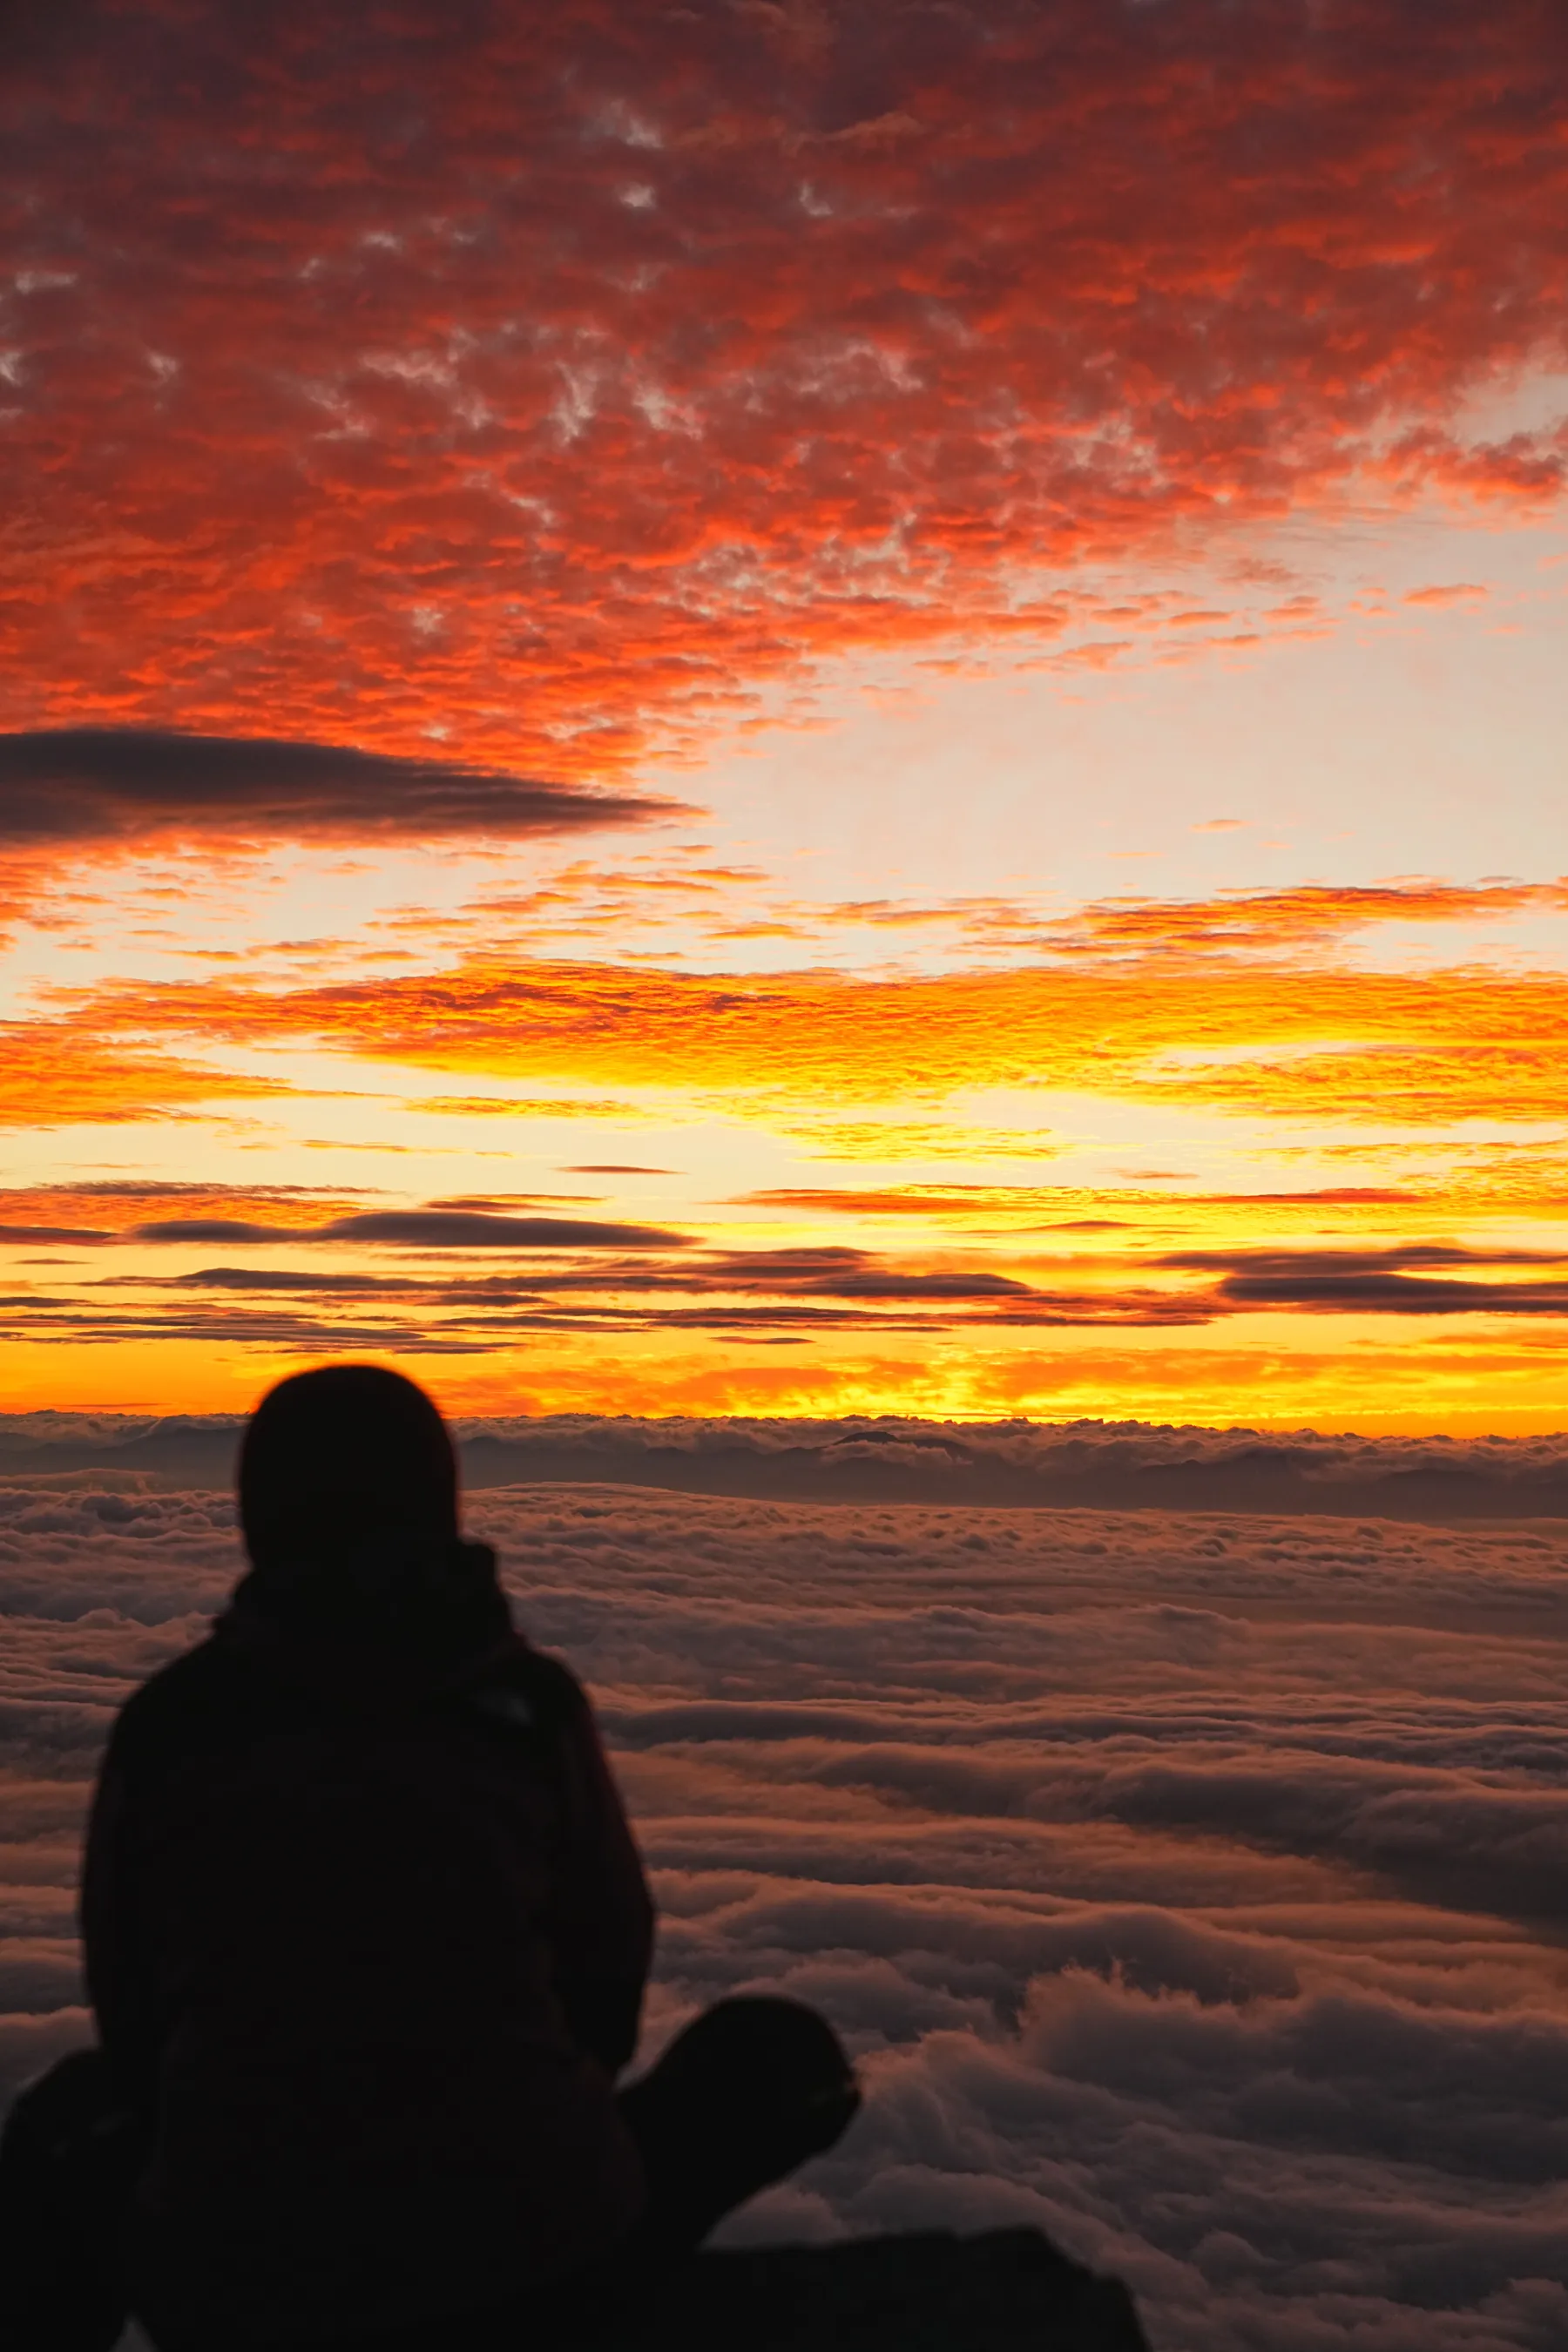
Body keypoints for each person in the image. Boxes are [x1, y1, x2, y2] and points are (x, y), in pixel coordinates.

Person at [1, 1366, 859, 2352]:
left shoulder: (172, 1726)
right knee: (778, 2060)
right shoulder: (529, 1711)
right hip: (546, 2263)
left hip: (242, 2287)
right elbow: (608, 1977)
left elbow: (134, 2016)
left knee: (68, 2116)